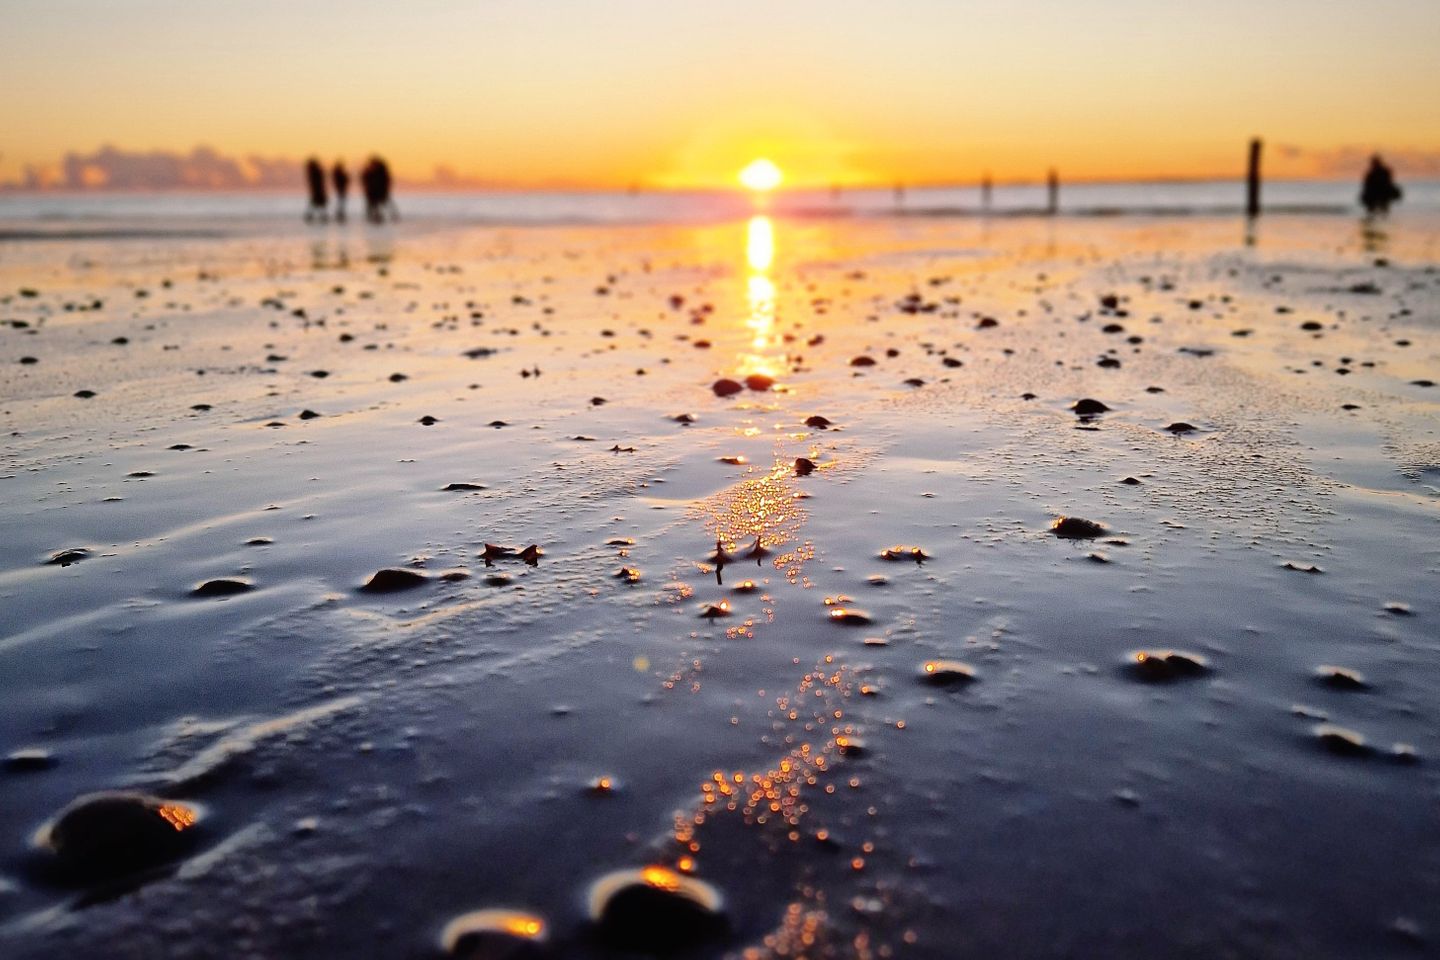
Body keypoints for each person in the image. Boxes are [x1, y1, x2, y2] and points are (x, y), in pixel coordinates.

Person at [303, 157, 328, 223]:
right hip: (318, 191)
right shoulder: (315, 172)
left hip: (317, 191)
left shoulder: (313, 172)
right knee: (318, 204)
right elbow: (318, 182)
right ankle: (321, 216)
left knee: (316, 204)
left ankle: (313, 216)